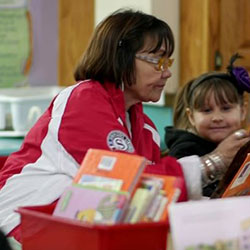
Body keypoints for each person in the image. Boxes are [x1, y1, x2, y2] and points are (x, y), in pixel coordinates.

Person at [0, 9, 249, 242]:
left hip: (76, 228)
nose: (166, 73)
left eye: (168, 62)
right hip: (21, 226)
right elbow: (126, 185)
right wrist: (214, 162)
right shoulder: (84, 100)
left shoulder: (144, 126)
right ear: (122, 58)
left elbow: (150, 199)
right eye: (157, 61)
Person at [165, 54, 250, 196]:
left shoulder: (242, 144)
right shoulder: (184, 150)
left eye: (226, 108)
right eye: (207, 110)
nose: (217, 118)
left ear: (242, 111)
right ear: (191, 117)